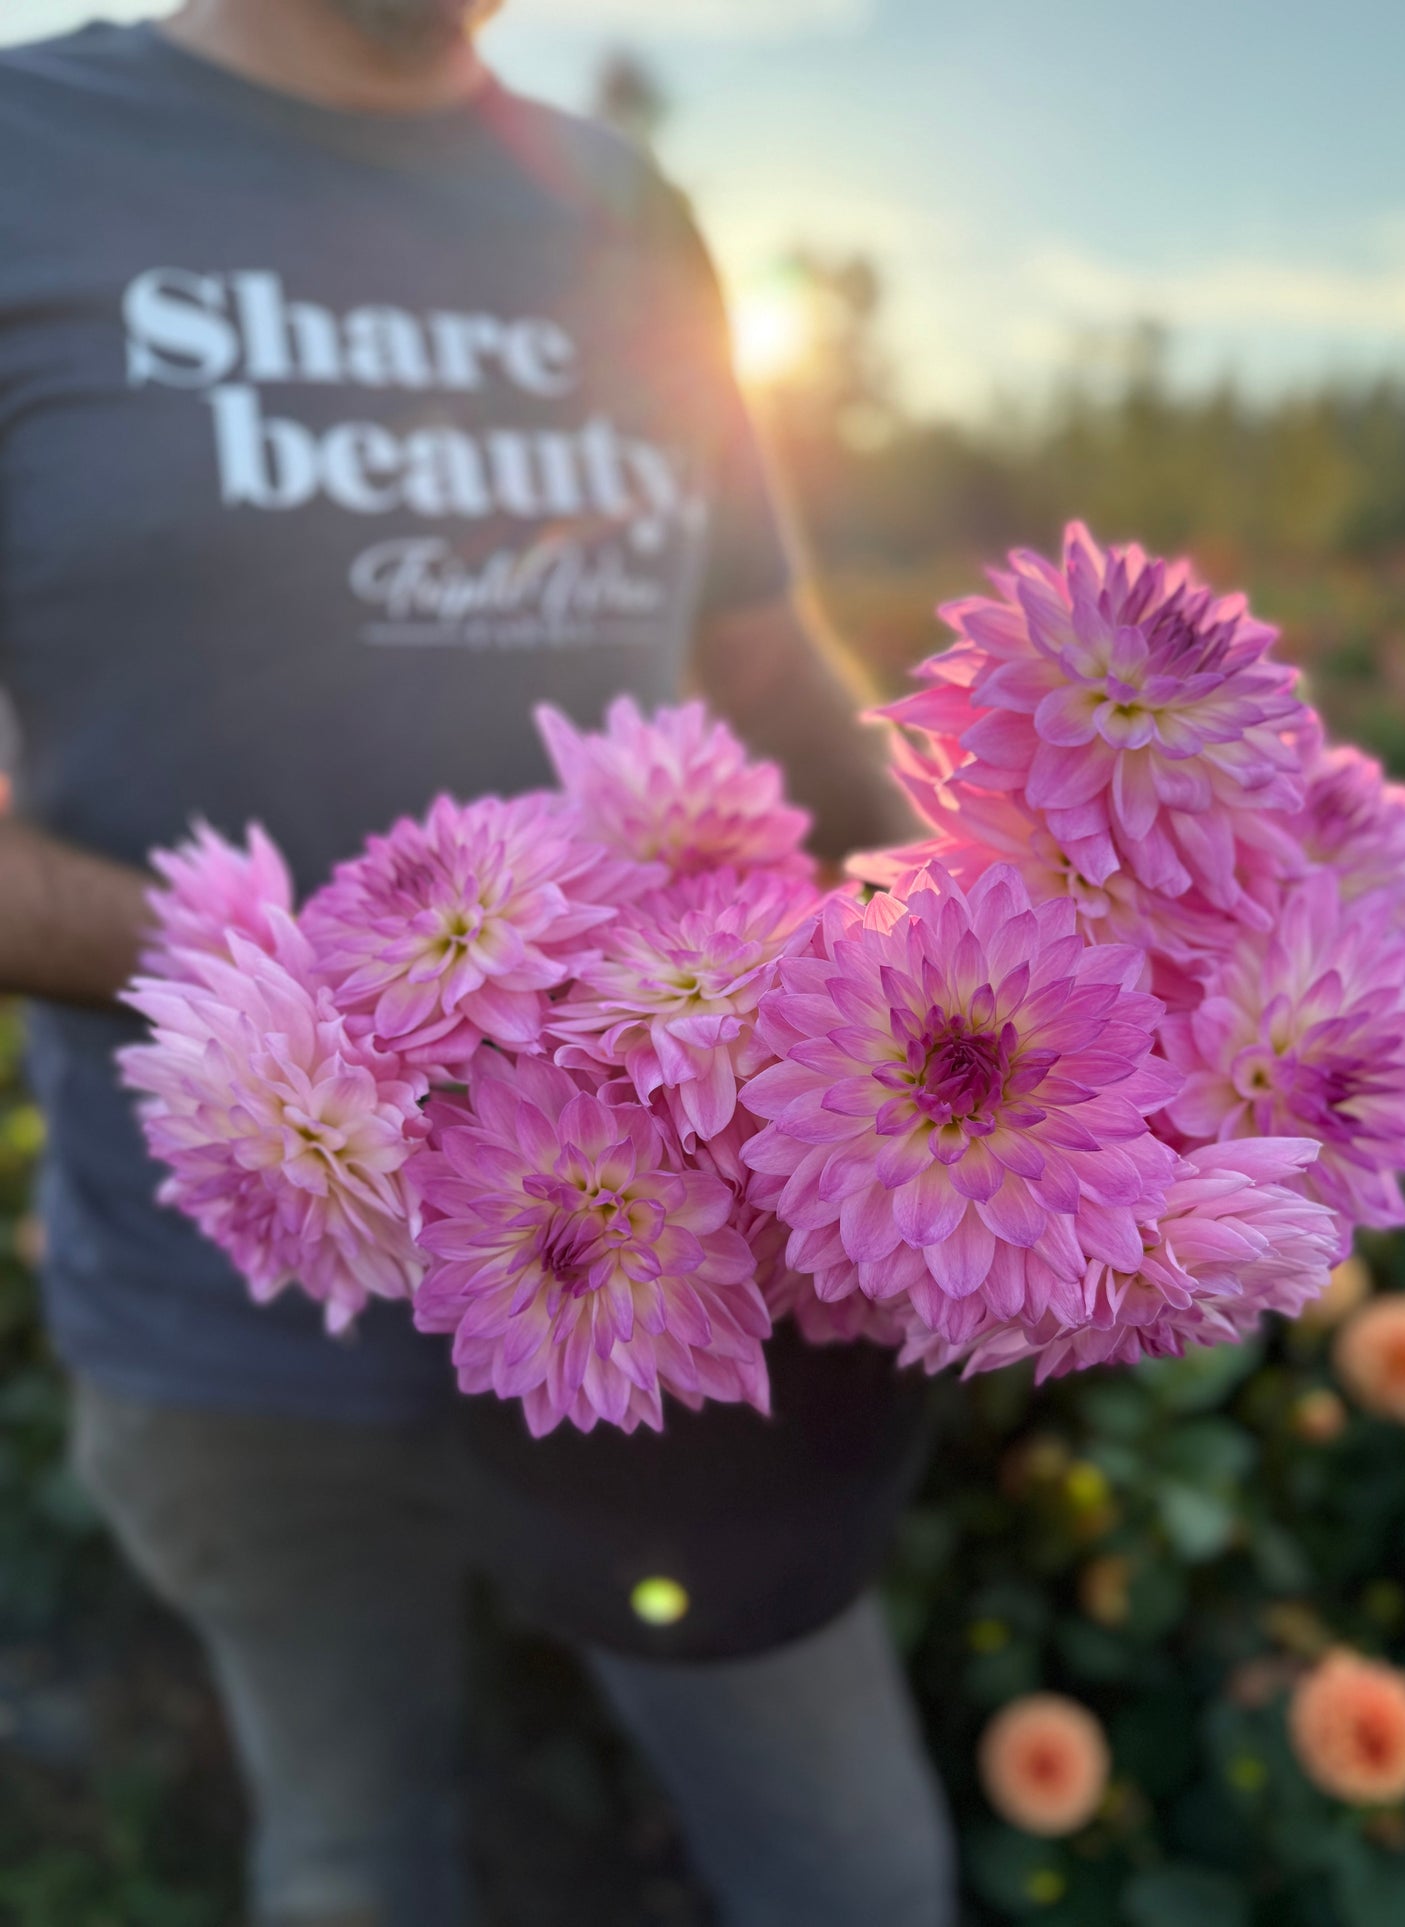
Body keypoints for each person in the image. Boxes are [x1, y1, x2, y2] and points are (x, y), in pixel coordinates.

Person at [0, 4, 959, 1922]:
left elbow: (762, 655)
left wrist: (974, 936)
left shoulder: (623, 204)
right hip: (228, 1312)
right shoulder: (34, 150)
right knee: (353, 1855)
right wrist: (327, 1005)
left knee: (852, 1875)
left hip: (683, 1293)